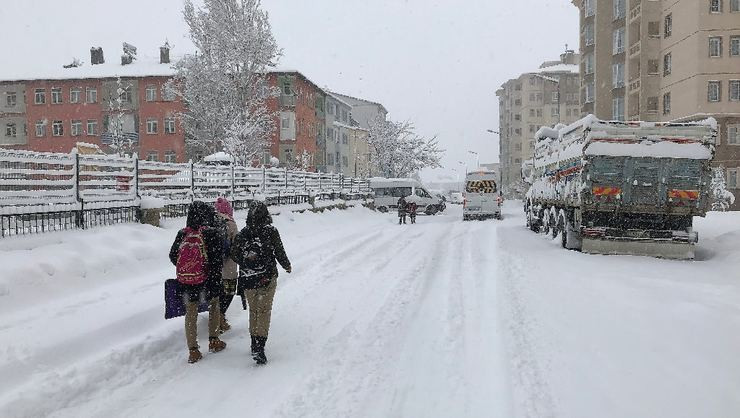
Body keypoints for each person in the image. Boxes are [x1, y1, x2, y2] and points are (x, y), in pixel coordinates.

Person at [230, 201, 291, 365]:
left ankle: (253, 342)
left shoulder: (243, 233)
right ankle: (260, 346)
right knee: (264, 311)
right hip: (267, 276)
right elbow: (279, 251)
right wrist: (286, 265)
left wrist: (246, 261)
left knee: (254, 311)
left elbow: (234, 254)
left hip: (248, 278)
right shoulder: (271, 231)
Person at [169, 201, 227, 364]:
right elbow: (217, 260)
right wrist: (209, 274)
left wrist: (189, 267)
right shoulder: (212, 233)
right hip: (208, 280)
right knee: (214, 306)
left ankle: (193, 351)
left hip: (187, 281)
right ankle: (214, 340)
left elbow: (173, 255)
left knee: (191, 312)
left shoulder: (182, 233)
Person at [214, 197, 239, 333]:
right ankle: (220, 317)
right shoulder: (230, 223)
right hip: (228, 266)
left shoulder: (210, 221)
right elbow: (237, 245)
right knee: (228, 292)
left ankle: (215, 318)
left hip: (213, 266)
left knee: (216, 293)